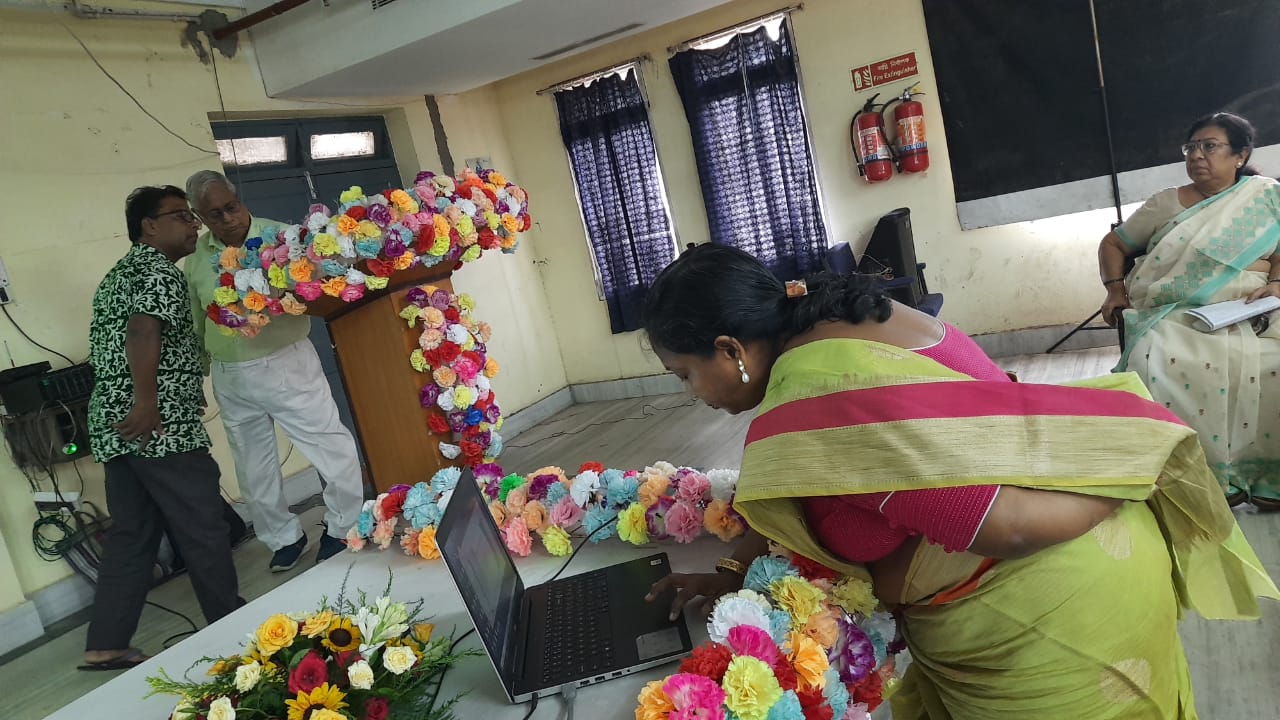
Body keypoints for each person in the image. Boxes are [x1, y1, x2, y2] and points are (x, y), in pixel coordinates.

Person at [642, 244, 1277, 719]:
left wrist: (1127, 471)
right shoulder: (836, 324)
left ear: (730, 349)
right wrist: (730, 571)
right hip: (1074, 575)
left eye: (684, 375)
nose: (692, 394)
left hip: (1044, 615)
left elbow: (1011, 526)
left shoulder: (818, 398)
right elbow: (824, 484)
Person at [82, 186, 241, 670]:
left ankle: (106, 643)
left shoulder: (121, 272)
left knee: (132, 533)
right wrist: (149, 403)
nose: (193, 224)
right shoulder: (156, 271)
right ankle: (233, 628)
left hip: (116, 423)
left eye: (192, 216)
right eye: (180, 216)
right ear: (149, 226)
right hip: (157, 425)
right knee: (203, 525)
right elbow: (141, 330)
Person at [1099, 112, 1280, 509]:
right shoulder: (1165, 204)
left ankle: (1269, 478)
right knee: (1160, 359)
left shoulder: (1266, 196)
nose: (1197, 155)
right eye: (1191, 147)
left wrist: (1277, 282)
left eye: (1209, 146)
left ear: (1240, 154)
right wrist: (1114, 290)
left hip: (1255, 304)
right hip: (1178, 310)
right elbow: (1114, 245)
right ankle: (1206, 480)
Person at [183, 170, 362, 571]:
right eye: (214, 214)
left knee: (329, 445)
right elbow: (196, 324)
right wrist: (199, 375)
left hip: (286, 362)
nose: (227, 218)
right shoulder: (194, 261)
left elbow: (322, 287)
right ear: (200, 217)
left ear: (239, 199)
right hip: (230, 374)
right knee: (252, 467)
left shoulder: (284, 239)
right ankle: (283, 537)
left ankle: (343, 526)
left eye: (231, 207)